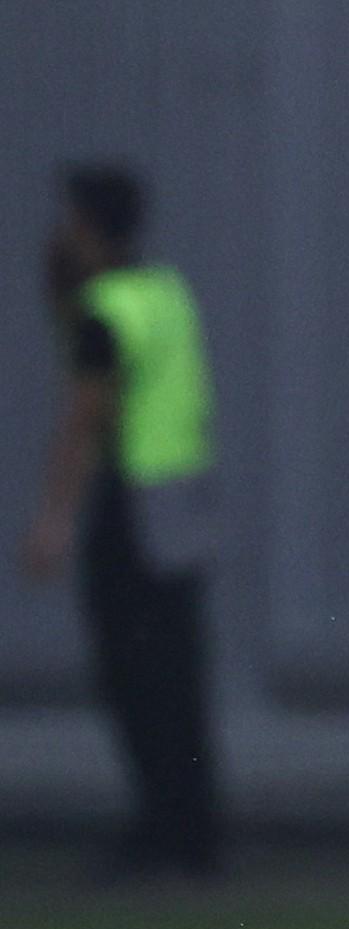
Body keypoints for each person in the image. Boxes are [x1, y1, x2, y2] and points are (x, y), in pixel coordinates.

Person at [21, 162, 224, 880]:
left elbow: (86, 419)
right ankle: (193, 828)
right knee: (179, 669)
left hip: (133, 501)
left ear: (87, 226)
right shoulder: (165, 291)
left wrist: (54, 520)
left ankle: (160, 830)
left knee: (134, 671)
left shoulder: (105, 311)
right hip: (184, 494)